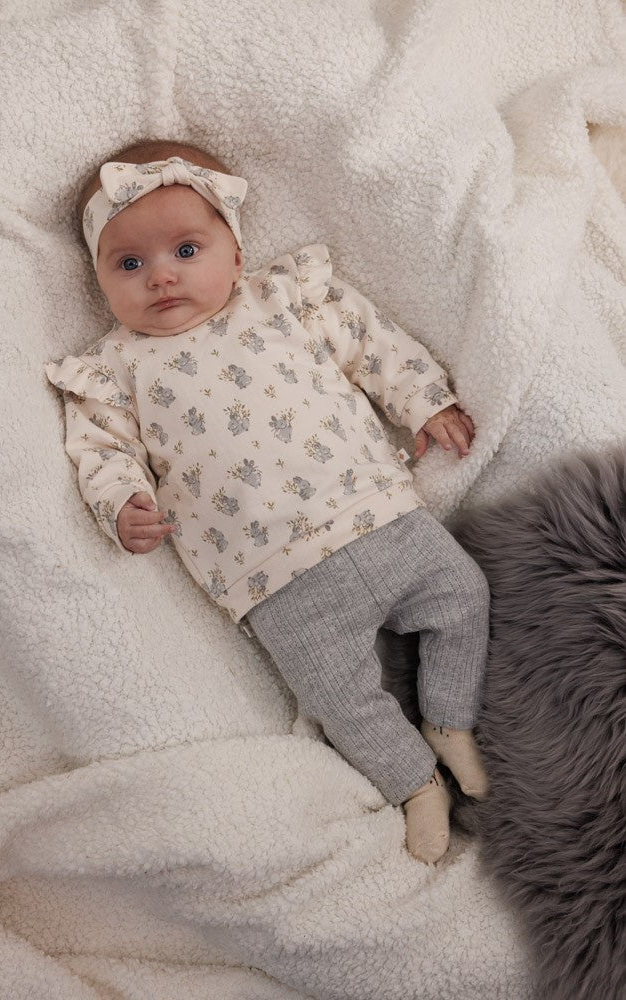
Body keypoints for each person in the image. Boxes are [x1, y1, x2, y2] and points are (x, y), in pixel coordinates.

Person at [47, 139, 490, 864]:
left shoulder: (283, 299)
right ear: (98, 281)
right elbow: (99, 451)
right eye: (128, 264)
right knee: (339, 698)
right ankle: (414, 782)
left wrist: (423, 400)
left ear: (236, 253)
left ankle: (449, 719)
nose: (160, 275)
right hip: (272, 577)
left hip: (380, 513)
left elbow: (368, 341)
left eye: (185, 249)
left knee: (463, 596)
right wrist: (121, 501)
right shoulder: (113, 369)